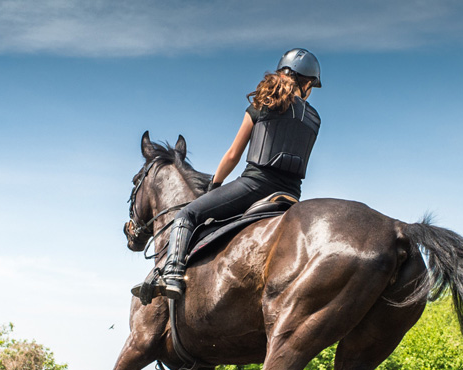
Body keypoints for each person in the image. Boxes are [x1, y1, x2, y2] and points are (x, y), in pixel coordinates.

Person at [133, 48, 322, 304]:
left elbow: (233, 154)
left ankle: (172, 274)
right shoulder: (314, 118)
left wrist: (215, 185)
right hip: (291, 196)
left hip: (255, 186)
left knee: (186, 215)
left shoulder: (263, 104)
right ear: (307, 83)